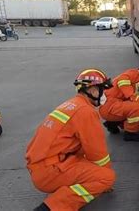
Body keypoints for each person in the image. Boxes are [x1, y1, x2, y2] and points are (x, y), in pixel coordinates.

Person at [26, 69, 116, 211]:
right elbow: (98, 154)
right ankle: (51, 207)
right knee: (106, 177)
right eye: (102, 90)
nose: (104, 95)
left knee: (86, 160)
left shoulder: (72, 104)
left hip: (41, 166)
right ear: (92, 90)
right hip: (49, 171)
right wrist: (103, 181)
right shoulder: (86, 112)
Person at [99, 66, 139, 141]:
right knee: (138, 108)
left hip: (108, 108)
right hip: (110, 107)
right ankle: (130, 133)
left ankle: (112, 123)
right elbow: (122, 80)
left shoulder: (136, 78)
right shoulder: (136, 75)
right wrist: (133, 96)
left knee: (131, 105)